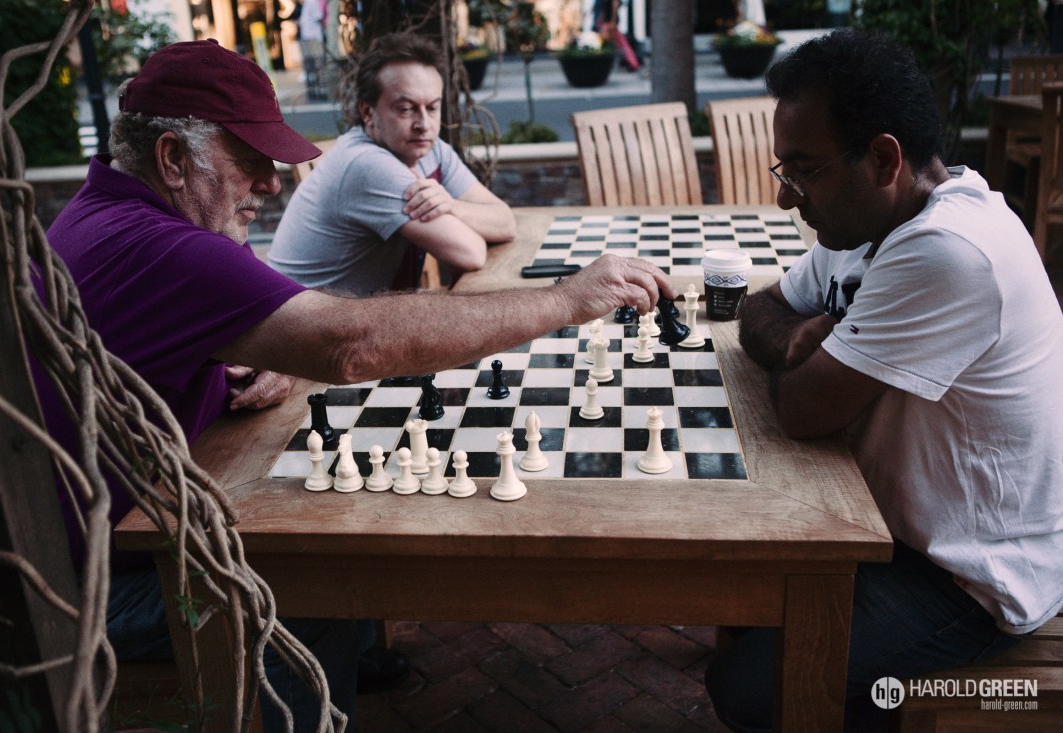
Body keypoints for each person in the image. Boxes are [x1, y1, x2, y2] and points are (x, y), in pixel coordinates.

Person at [37, 39, 673, 732]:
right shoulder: (162, 246)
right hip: (88, 593)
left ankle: (351, 662)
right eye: (252, 160)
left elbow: (170, 341)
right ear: (170, 157)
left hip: (113, 533)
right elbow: (349, 347)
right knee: (313, 580)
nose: (274, 182)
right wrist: (563, 300)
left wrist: (241, 358)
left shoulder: (107, 213)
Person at [704, 29, 1063, 732]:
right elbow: (761, 308)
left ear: (883, 158)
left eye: (802, 171)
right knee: (736, 591)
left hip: (972, 579)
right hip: (890, 527)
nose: (787, 200)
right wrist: (797, 342)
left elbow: (805, 411)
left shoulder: (949, 251)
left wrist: (799, 364)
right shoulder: (871, 226)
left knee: (752, 688)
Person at [267, 32, 516, 296]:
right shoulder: (366, 165)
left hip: (354, 316)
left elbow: (505, 222)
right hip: (307, 326)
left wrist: (452, 206)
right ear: (368, 112)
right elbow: (471, 252)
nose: (423, 125)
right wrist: (465, 216)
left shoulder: (430, 150)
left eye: (432, 108)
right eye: (406, 108)